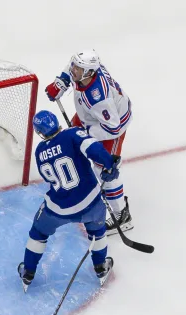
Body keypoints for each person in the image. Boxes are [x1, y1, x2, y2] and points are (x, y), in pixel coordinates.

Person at [18, 110, 117, 291]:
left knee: (38, 232)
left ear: (40, 132)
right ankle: (101, 267)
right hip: (91, 203)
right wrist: (109, 164)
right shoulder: (72, 133)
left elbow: (49, 178)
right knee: (98, 231)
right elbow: (94, 149)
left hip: (58, 209)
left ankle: (28, 272)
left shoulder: (39, 151)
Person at [45, 49, 133, 235]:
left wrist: (85, 133)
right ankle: (80, 179)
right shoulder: (87, 72)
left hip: (110, 126)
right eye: (75, 66)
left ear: (88, 73)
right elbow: (71, 68)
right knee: (72, 140)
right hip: (91, 116)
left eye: (78, 68)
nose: (73, 69)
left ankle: (122, 215)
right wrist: (61, 82)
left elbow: (112, 128)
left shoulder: (98, 97)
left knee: (105, 170)